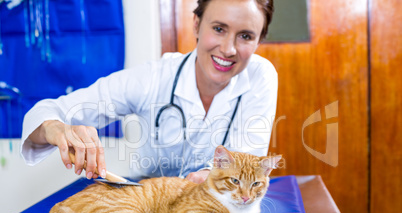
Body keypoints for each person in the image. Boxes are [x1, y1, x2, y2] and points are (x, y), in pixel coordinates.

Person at [21, 0, 277, 183]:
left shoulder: (260, 76)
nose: (229, 48)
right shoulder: (154, 78)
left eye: (245, 36)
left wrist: (208, 178)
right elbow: (45, 112)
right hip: (152, 212)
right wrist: (56, 128)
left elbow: (249, 163)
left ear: (259, 41)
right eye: (219, 29)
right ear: (197, 25)